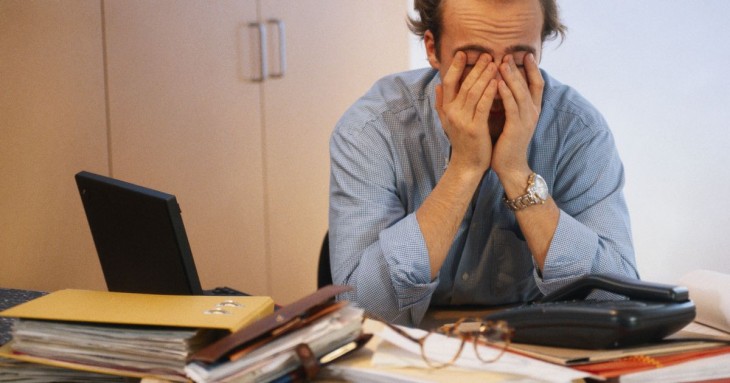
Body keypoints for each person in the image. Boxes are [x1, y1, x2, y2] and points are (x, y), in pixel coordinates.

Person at [328, 0, 638, 326]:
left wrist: (517, 172)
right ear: (432, 49)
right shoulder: (374, 128)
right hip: (410, 353)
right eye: (474, 64)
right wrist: (464, 168)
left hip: (537, 351)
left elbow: (619, 302)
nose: (496, 87)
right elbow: (361, 311)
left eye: (518, 63)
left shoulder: (578, 130)